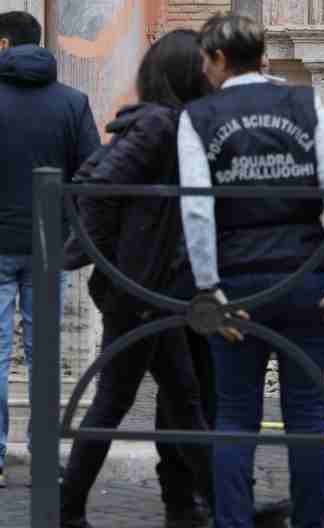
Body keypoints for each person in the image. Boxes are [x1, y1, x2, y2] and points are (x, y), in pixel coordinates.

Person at [178, 13, 324, 528]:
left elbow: (197, 208)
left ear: (220, 59)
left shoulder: (199, 116)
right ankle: (311, 520)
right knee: (307, 413)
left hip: (238, 280)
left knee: (235, 414)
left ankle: (234, 522)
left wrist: (209, 289)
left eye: (205, 58)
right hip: (307, 276)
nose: (202, 69)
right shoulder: (304, 101)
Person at [0, 10, 101, 488]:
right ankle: (44, 451)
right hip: (48, 243)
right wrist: (79, 236)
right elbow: (90, 173)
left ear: (5, 45)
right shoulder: (72, 103)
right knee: (42, 351)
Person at [59, 30, 213, 528]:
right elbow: (96, 186)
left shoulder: (167, 124)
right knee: (115, 400)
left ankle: (225, 508)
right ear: (189, 73)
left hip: (153, 290)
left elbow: (92, 179)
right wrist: (114, 263)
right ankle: (66, 510)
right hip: (142, 291)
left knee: (184, 402)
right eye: (206, 64)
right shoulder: (160, 126)